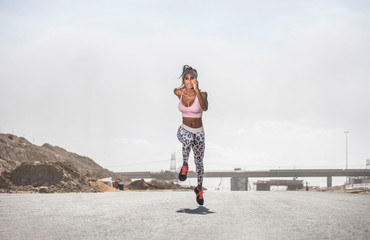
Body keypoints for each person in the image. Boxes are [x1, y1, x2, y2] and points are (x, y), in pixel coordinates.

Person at [174, 65, 208, 205]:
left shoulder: (203, 94)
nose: (189, 81)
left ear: (196, 79)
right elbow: (176, 90)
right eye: (187, 78)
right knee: (187, 140)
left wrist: (196, 91)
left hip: (199, 133)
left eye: (192, 78)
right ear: (184, 80)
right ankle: (185, 165)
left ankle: (198, 189)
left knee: (199, 163)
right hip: (184, 129)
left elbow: (204, 107)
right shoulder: (178, 92)